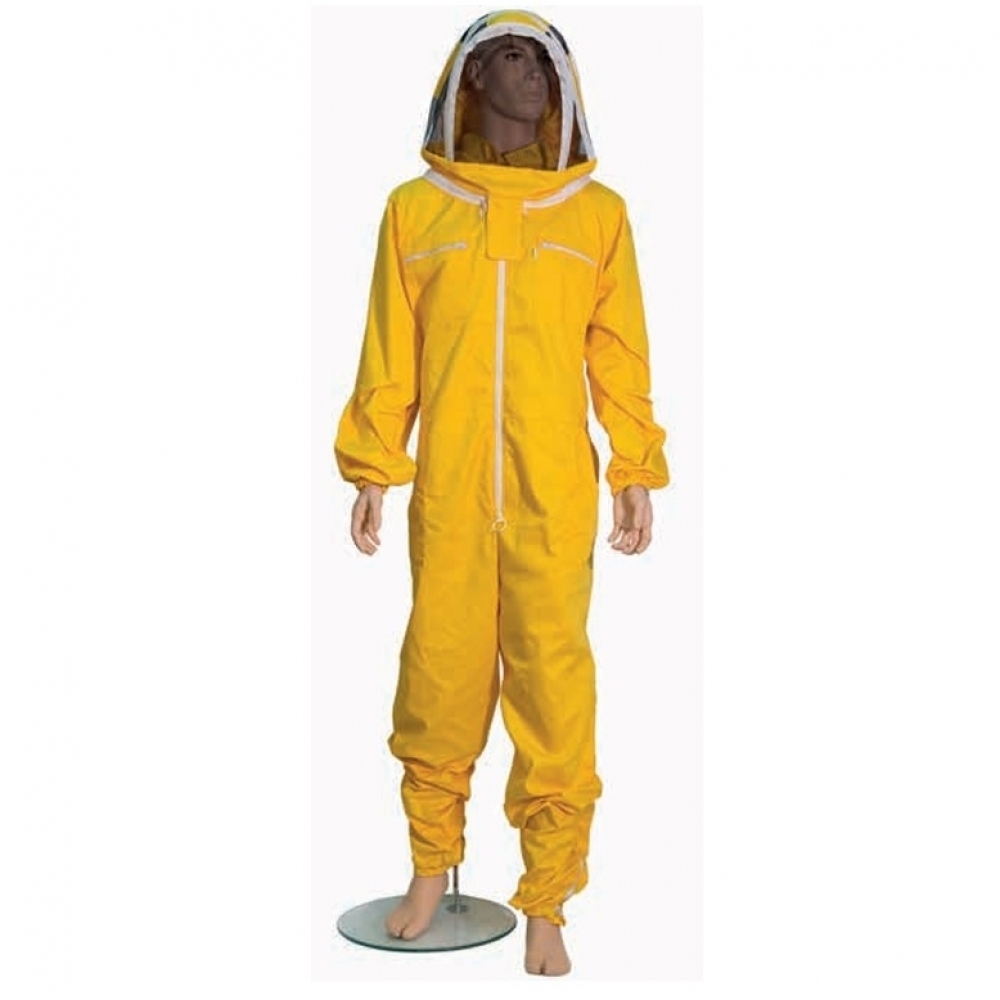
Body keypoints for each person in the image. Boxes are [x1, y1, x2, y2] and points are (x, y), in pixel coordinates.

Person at [334, 9, 670, 977]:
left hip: (552, 492)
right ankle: (429, 868)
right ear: (468, 82)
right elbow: (389, 350)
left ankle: (548, 900)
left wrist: (634, 466)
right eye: (508, 58)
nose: (531, 75)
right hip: (448, 493)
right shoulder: (416, 210)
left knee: (552, 688)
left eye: (542, 62)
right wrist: (374, 466)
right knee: (437, 678)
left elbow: (619, 353)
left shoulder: (596, 215)